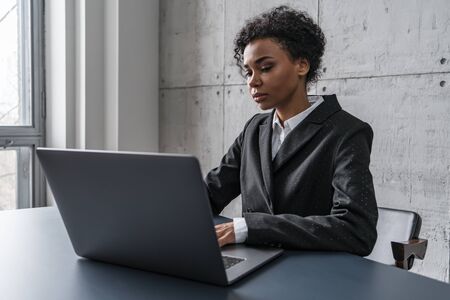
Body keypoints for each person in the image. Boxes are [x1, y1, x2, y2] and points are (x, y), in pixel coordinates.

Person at [206, 6, 378, 256]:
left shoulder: (346, 133)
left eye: (265, 68)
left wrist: (248, 228)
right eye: (248, 71)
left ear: (302, 65)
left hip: (309, 277)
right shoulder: (254, 129)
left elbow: (356, 230)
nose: (253, 81)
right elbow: (209, 195)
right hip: (251, 266)